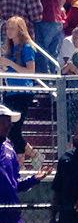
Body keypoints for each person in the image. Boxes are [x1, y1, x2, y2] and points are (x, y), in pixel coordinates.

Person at [1, 16, 39, 161]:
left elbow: (30, 71)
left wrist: (10, 63)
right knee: (11, 130)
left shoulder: (27, 47)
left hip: (22, 92)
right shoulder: (10, 48)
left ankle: (32, 156)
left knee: (14, 129)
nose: (9, 31)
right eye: (7, 28)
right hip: (10, 91)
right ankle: (23, 160)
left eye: (12, 28)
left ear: (20, 30)